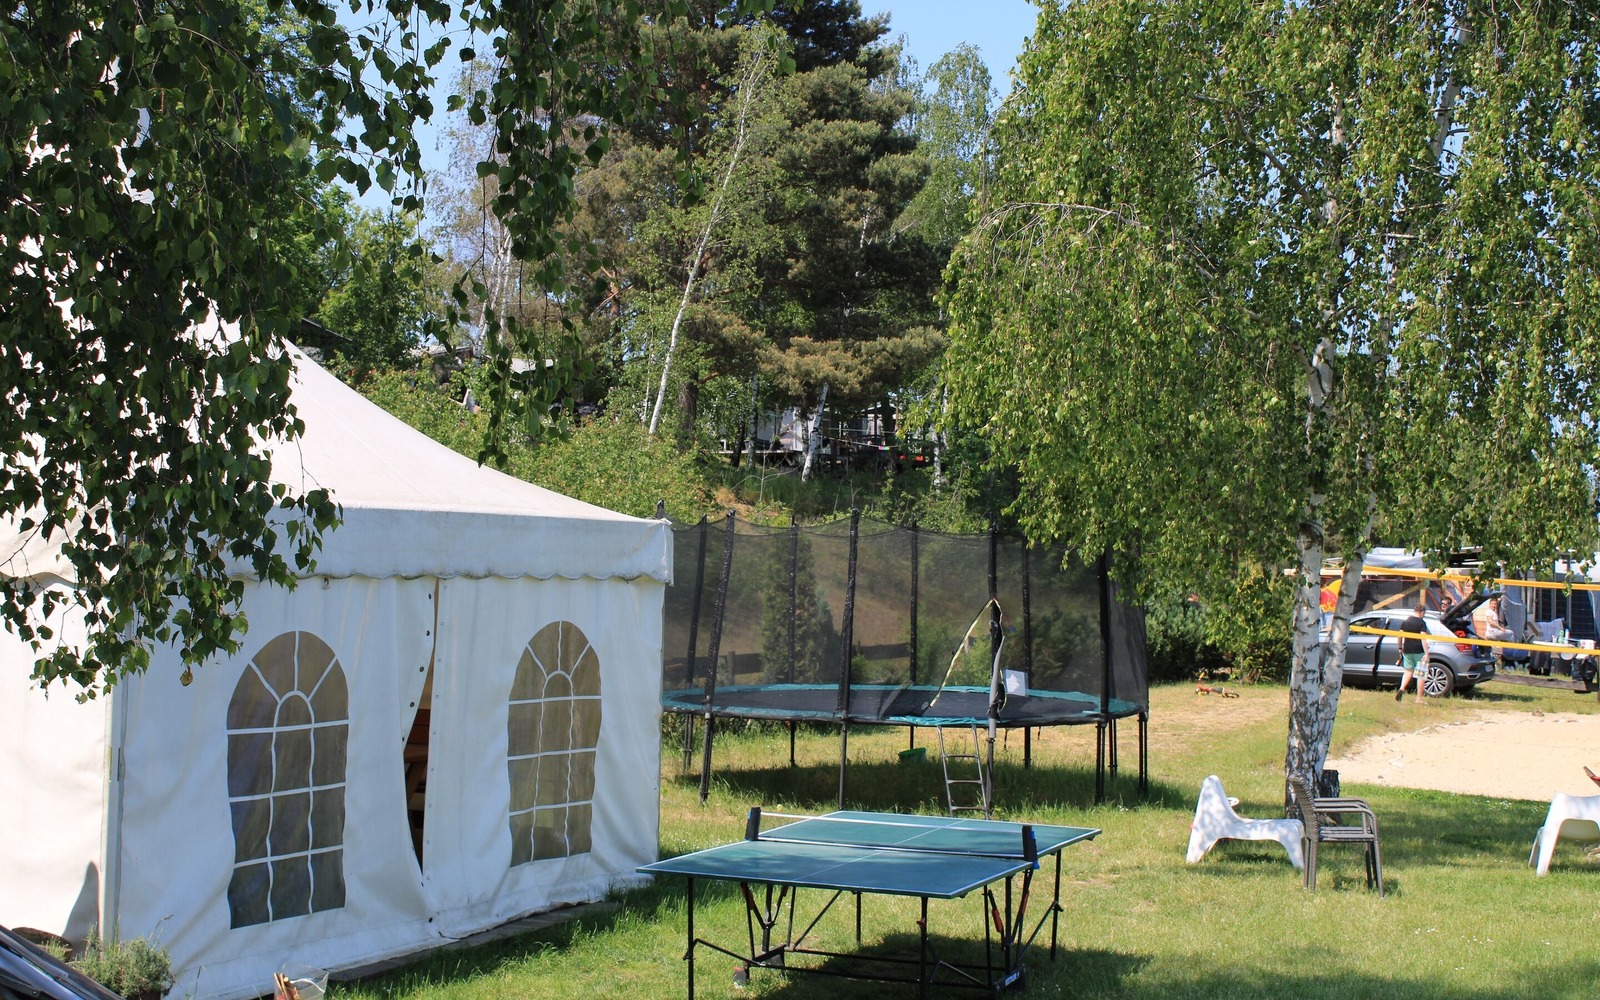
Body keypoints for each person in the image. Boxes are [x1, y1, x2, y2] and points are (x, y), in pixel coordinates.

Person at [1397, 602, 1429, 703]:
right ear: (1422, 612)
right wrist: (1427, 653)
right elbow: (1423, 638)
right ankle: (1418, 699)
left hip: (1407, 650)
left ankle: (1402, 688)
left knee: (1408, 671)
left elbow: (1399, 636)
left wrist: (1400, 648)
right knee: (1420, 674)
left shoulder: (1406, 621)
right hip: (1419, 651)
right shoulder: (1421, 622)